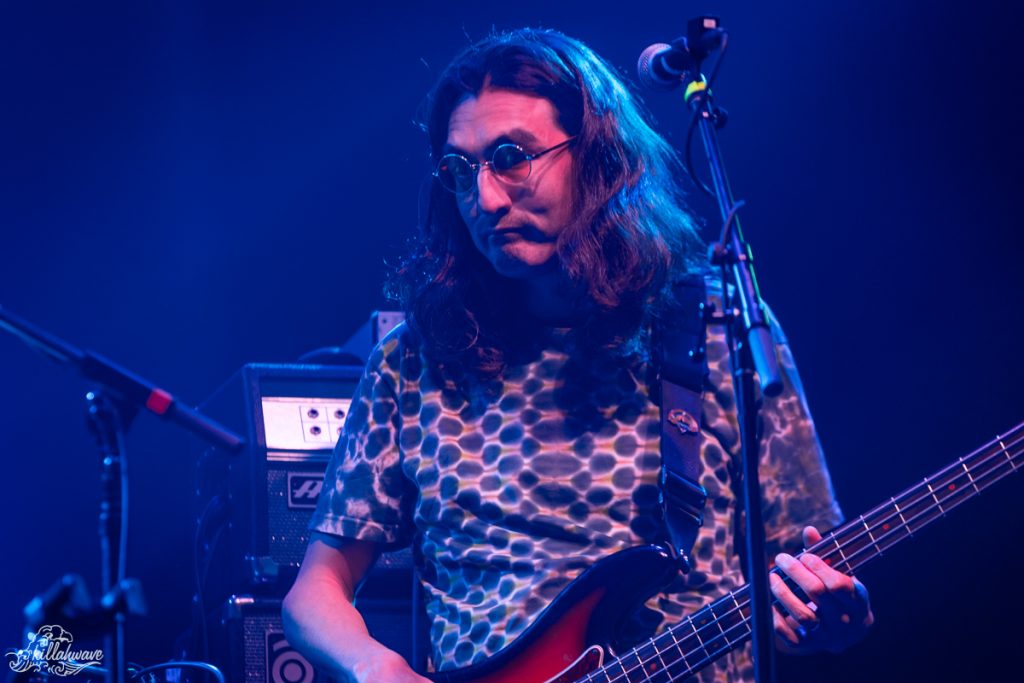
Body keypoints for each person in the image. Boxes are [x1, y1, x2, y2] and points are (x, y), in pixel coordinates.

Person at [282, 27, 873, 683]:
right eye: (460, 171)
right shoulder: (413, 362)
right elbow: (314, 593)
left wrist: (830, 613)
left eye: (512, 157)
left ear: (598, 158)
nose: (485, 199)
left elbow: (808, 568)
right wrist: (372, 664)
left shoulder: (719, 327)